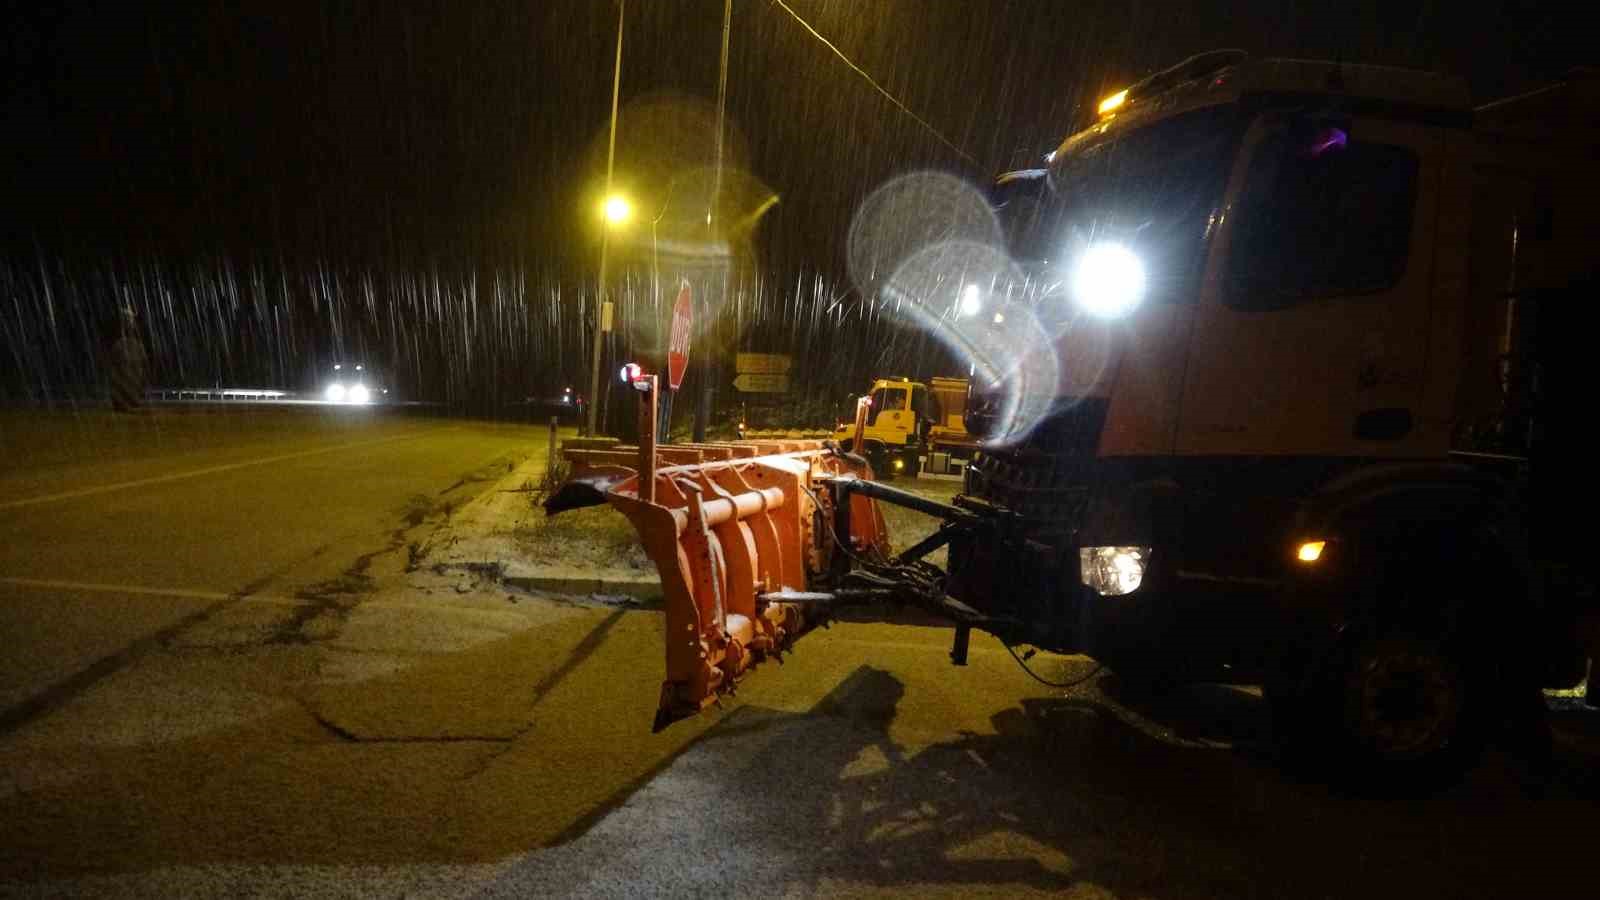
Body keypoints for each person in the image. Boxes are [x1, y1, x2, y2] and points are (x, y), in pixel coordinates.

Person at [103, 305, 148, 412]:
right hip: (125, 393)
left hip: (129, 393)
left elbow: (143, 366)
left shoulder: (135, 346)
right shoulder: (121, 345)